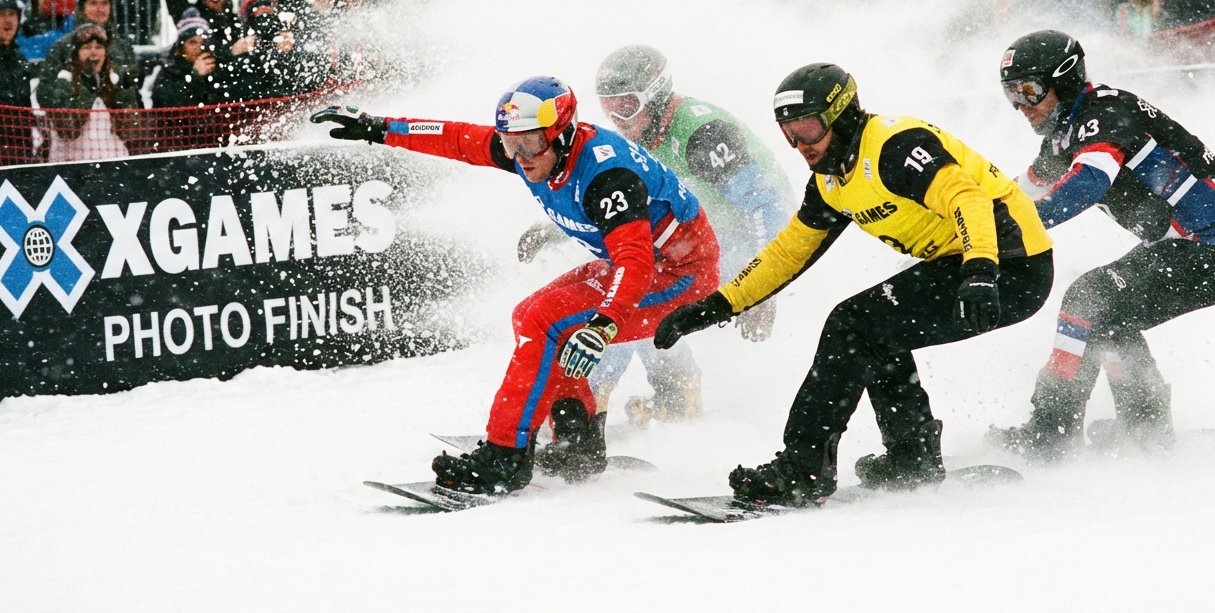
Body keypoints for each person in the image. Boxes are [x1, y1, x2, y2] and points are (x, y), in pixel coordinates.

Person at [653, 64, 1055, 507]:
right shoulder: (830, 181)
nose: (800, 145)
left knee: (854, 323)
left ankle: (802, 469)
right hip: (966, 263)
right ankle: (912, 456)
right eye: (789, 133)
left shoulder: (893, 147)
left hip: (1010, 268)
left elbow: (968, 197)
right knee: (875, 327)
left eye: (808, 129)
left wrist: (979, 271)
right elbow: (787, 254)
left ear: (842, 116)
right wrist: (716, 306)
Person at [310, 77, 722, 495]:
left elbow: (635, 262)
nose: (520, 157)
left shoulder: (608, 176)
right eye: (511, 144)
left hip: (681, 277)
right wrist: (379, 128)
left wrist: (603, 325)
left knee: (545, 320)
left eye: (529, 145)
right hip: (642, 265)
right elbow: (457, 139)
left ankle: (504, 457)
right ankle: (575, 437)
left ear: (563, 136)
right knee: (528, 314)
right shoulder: (540, 152)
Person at [987, 30, 1215, 461]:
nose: (1022, 107)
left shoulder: (1105, 114)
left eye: (1029, 91)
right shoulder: (1065, 131)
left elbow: (1088, 183)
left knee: (1090, 298)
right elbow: (1021, 190)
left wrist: (1015, 228)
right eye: (1011, 95)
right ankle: (1146, 431)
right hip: (1197, 243)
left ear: (1065, 79)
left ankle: (1053, 435)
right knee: (1106, 313)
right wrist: (964, 217)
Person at [528, 44, 794, 425]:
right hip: (690, 237)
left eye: (627, 105)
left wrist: (762, 287)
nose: (618, 118)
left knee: (633, 294)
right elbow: (606, 199)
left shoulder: (701, 135)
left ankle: (596, 400)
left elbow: (765, 205)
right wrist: (552, 228)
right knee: (629, 285)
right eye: (609, 106)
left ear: (656, 95)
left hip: (748, 237)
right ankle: (673, 391)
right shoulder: (628, 138)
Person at [36, 23, 141, 161]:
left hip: (112, 161)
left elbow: (130, 131)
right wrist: (89, 95)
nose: (93, 52)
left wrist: (125, 91)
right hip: (73, 164)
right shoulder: (64, 80)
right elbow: (68, 132)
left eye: (99, 47)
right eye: (86, 48)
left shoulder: (113, 81)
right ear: (75, 54)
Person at [39, 0, 136, 89]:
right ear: (81, 8)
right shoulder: (62, 47)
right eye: (93, 3)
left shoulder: (123, 48)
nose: (100, 9)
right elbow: (46, 90)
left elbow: (133, 90)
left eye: (104, 3)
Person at [151, 11, 230, 109]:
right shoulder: (169, 73)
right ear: (180, 48)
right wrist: (194, 78)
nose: (199, 47)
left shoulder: (214, 68)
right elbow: (171, 107)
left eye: (203, 42)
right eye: (192, 42)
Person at [0, 0, 30, 163]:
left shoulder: (20, 59)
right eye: (2, 14)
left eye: (12, 14)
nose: (8, 20)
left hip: (17, 151)